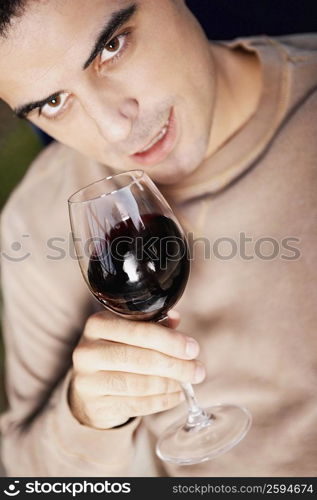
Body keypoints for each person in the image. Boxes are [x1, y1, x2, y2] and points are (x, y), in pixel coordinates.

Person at [0, 0, 316, 477]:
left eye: (112, 45)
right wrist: (85, 417)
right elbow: (31, 480)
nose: (114, 126)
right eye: (52, 102)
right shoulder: (32, 219)